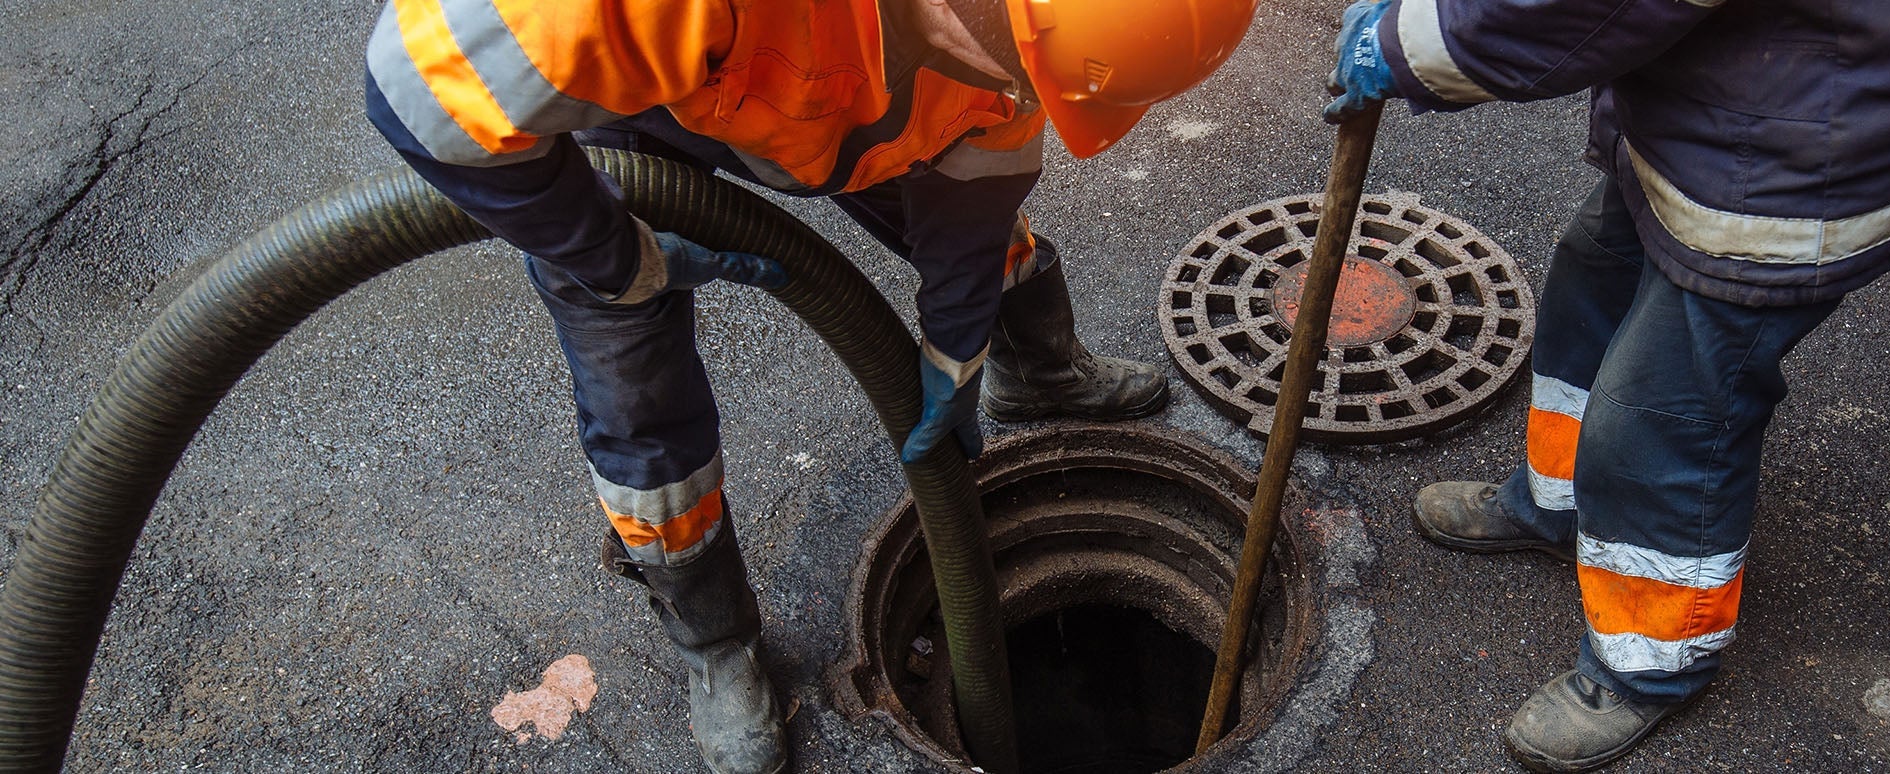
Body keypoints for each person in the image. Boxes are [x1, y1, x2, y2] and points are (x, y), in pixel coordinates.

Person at [363, 0, 1255, 771]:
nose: (1026, 99)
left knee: (978, 229)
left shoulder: (1017, 47)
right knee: (635, 388)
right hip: (647, 112)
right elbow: (415, 92)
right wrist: (616, 255)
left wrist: (954, 354)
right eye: (1026, 76)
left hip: (841, 108)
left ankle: (1040, 372)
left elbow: (981, 177)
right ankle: (715, 640)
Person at [1325, 0, 1890, 770]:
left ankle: (1653, 660)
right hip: (1714, 109)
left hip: (1793, 161)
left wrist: (1418, 40)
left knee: (1666, 414)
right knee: (1589, 287)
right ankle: (1557, 502)